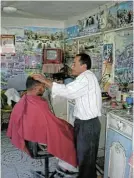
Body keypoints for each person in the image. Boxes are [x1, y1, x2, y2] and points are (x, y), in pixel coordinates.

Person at [32, 53, 102, 178]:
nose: (72, 66)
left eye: (75, 63)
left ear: (84, 66)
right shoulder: (83, 78)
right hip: (82, 123)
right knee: (82, 157)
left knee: (87, 160)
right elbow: (69, 88)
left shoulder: (86, 77)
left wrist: (45, 80)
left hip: (89, 125)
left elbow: (68, 91)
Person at [7, 76, 78, 174]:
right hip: (38, 142)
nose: (44, 88)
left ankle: (64, 163)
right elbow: (50, 125)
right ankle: (67, 166)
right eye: (43, 86)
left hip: (30, 140)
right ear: (36, 88)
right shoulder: (37, 105)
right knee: (69, 135)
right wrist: (65, 126)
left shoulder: (24, 100)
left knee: (66, 128)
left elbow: (46, 122)